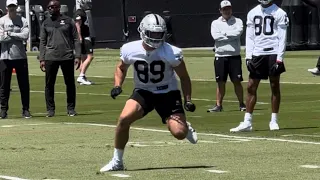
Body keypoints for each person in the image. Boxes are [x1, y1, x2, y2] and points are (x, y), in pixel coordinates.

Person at [99, 14, 198, 172]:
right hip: (144, 92)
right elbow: (121, 67)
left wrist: (187, 100)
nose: (157, 38)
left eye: (160, 34)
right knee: (124, 119)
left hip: (168, 93)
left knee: (179, 133)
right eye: (153, 34)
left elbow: (184, 77)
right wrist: (118, 85)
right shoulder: (130, 49)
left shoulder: (172, 52)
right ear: (143, 31)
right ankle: (117, 161)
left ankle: (185, 126)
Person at [230, 0, 289, 132]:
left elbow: (282, 36)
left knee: (274, 85)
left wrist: (280, 59)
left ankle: (274, 120)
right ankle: (247, 122)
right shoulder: (253, 12)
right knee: (251, 86)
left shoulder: (280, 13)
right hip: (258, 53)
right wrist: (248, 56)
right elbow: (250, 37)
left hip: (273, 51)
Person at [39, 0, 81, 117]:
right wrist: (42, 58)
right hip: (50, 57)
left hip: (67, 56)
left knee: (70, 83)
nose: (51, 9)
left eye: (53, 7)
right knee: (49, 84)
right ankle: (50, 110)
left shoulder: (68, 21)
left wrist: (77, 55)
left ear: (58, 8)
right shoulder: (46, 23)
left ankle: (71, 108)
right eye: (49, 7)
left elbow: (76, 39)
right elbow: (42, 42)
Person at [208, 0, 246, 112]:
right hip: (220, 56)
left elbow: (238, 33)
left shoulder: (238, 21)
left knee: (237, 81)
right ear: (220, 10)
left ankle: (241, 104)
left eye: (228, 8)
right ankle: (219, 105)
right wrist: (230, 35)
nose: (227, 11)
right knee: (220, 82)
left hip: (234, 56)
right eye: (224, 9)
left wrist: (224, 34)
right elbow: (216, 37)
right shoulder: (215, 23)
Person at [0, 0, 31, 119]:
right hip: (5, 57)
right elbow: (1, 38)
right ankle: (3, 110)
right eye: (10, 7)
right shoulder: (1, 20)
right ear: (7, 8)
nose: (12, 8)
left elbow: (25, 36)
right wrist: (16, 35)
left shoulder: (22, 20)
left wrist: (11, 34)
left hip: (20, 57)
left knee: (24, 85)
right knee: (4, 85)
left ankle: (26, 109)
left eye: (13, 6)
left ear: (16, 7)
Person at [74, 8, 94, 85]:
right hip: (84, 38)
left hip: (84, 37)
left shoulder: (82, 13)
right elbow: (77, 25)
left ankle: (82, 77)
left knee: (83, 59)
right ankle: (81, 76)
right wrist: (80, 37)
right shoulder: (79, 13)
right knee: (90, 57)